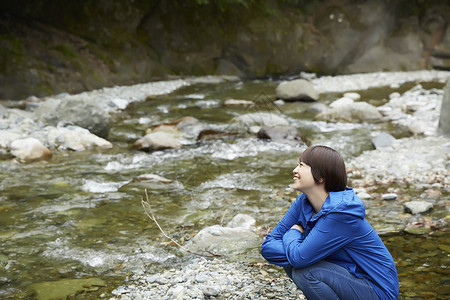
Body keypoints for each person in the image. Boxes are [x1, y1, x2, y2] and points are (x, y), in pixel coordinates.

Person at [261, 145, 399, 300]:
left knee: (305, 271)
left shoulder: (342, 213)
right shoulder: (303, 202)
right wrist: (299, 251)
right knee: (294, 262)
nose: (295, 170)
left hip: (377, 290)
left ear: (321, 176)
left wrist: (294, 233)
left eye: (301, 165)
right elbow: (268, 246)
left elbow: (300, 258)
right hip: (345, 275)